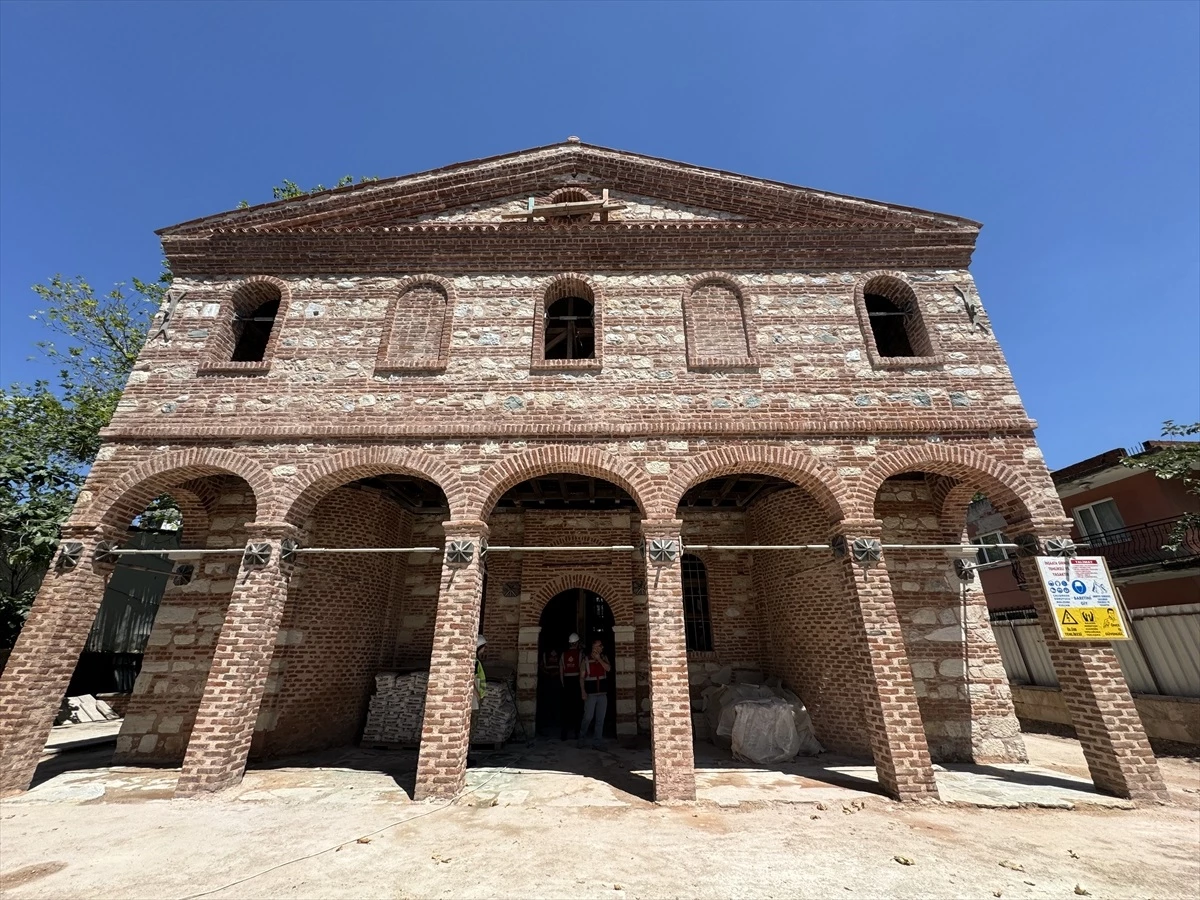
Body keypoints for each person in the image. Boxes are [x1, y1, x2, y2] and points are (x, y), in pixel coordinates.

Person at [577, 638, 611, 749]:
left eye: (601, 646)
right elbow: (582, 678)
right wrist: (583, 691)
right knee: (588, 717)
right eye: (599, 646)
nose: (601, 647)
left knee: (600, 719)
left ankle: (597, 743)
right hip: (590, 694)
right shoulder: (585, 660)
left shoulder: (604, 658)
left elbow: (608, 668)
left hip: (602, 694)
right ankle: (581, 738)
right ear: (593, 647)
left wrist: (599, 659)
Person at [558, 632, 583, 740]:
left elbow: (561, 671)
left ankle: (564, 734)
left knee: (566, 708)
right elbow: (582, 670)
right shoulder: (580, 654)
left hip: (567, 681)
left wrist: (563, 684)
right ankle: (577, 732)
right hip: (577, 681)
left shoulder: (564, 654)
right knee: (578, 708)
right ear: (577, 643)